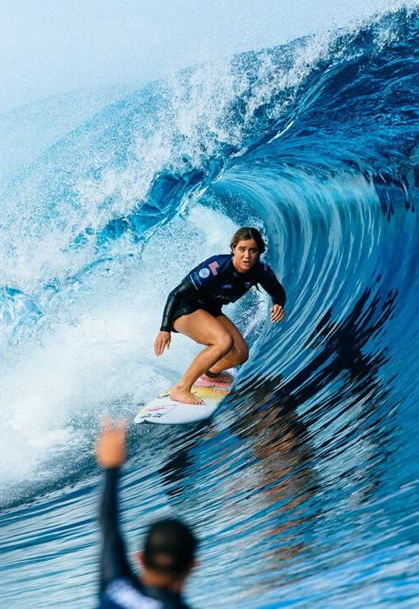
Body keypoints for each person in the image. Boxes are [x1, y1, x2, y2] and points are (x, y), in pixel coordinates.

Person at [154, 227, 286, 405]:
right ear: (233, 249)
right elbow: (176, 293)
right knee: (223, 341)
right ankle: (181, 388)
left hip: (211, 309)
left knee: (240, 354)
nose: (247, 255)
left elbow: (278, 292)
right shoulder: (216, 267)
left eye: (252, 250)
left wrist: (278, 304)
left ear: (259, 252)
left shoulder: (260, 271)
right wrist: (164, 329)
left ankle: (210, 373)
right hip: (185, 309)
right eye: (242, 249)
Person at [97, 417, 197, 609]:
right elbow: (108, 526)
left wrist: (111, 467)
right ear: (192, 566)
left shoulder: (116, 586)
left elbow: (108, 525)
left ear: (141, 558)